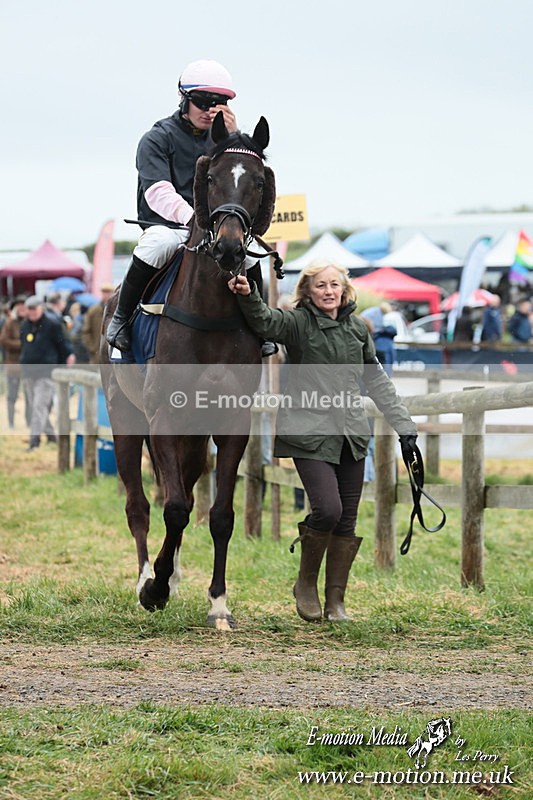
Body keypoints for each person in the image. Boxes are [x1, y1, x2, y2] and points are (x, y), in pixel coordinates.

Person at [228, 261, 418, 622]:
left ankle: (336, 603)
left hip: (350, 433)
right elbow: (267, 321)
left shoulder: (359, 329)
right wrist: (249, 294)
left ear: (344, 289)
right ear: (308, 292)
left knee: (346, 520)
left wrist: (404, 426)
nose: (329, 291)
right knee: (327, 509)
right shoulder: (298, 323)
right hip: (308, 429)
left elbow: (376, 381)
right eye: (320, 286)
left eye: (335, 285)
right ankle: (305, 583)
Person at [105, 59, 275, 358]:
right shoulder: (156, 139)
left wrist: (233, 140)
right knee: (157, 244)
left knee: (248, 256)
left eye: (219, 103)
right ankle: (121, 319)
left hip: (217, 225)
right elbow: (157, 192)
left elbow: (241, 176)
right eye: (203, 102)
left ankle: (262, 330)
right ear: (184, 100)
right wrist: (196, 219)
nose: (210, 109)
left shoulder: (223, 140)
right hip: (168, 225)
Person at [19, 296, 75, 451]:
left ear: (41, 308)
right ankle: (51, 436)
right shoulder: (24, 325)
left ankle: (34, 442)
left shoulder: (53, 324)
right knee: (35, 406)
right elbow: (23, 345)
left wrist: (65, 364)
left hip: (46, 372)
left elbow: (63, 346)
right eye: (28, 310)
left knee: (39, 406)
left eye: (34, 309)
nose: (31, 313)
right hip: (28, 371)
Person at [0, 296, 31, 429]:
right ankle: (11, 423)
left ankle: (29, 423)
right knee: (12, 395)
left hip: (29, 365)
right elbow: (4, 340)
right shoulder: (10, 323)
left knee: (30, 396)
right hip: (13, 365)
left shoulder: (32, 322)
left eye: (23, 305)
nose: (21, 308)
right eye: (18, 305)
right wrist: (22, 344)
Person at [81, 283, 115, 363]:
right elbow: (86, 331)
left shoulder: (117, 310)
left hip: (112, 354)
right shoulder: (93, 311)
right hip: (97, 353)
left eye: (108, 293)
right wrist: (92, 348)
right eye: (104, 293)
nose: (106, 295)